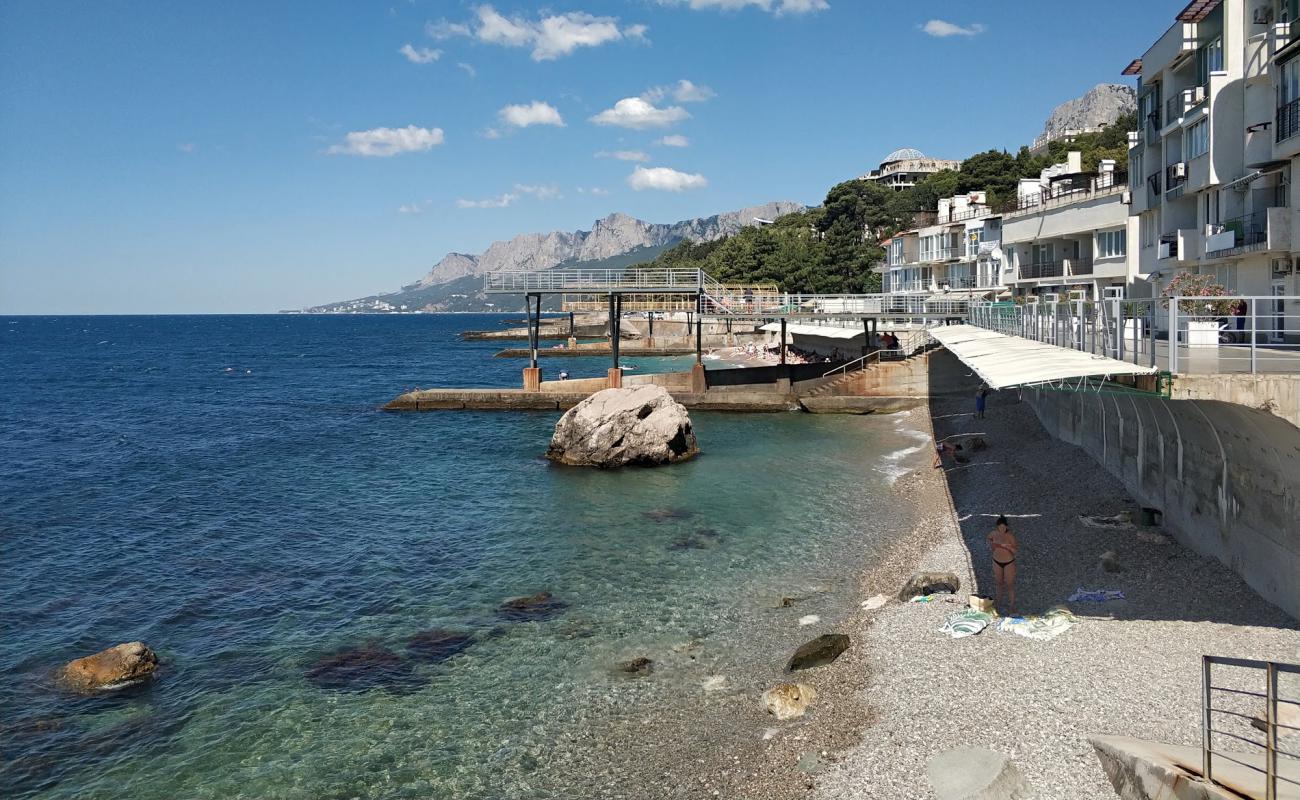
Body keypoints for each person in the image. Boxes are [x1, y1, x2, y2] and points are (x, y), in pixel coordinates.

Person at [987, 515, 1019, 615]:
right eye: (1000, 527)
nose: (1002, 529)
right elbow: (989, 539)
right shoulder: (993, 534)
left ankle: (1012, 605)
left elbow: (1015, 551)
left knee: (1010, 584)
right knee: (999, 583)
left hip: (1008, 562)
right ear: (997, 527)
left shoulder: (1010, 536)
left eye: (1004, 527)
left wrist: (1008, 548)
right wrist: (992, 546)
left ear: (1006, 527)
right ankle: (998, 602)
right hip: (996, 560)